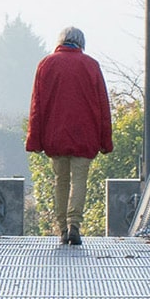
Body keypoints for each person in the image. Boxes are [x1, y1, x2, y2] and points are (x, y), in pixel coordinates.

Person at [25, 26, 114, 245]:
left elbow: (38, 105)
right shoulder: (91, 66)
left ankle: (62, 228)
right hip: (85, 134)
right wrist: (105, 140)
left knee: (60, 180)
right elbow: (103, 106)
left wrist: (34, 139)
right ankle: (75, 224)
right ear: (81, 43)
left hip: (55, 134)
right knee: (79, 179)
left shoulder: (46, 65)